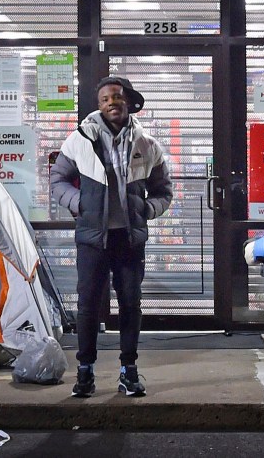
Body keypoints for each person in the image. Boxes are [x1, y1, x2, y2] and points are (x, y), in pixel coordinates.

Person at [50, 76, 172, 398]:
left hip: (129, 240)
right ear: (99, 105)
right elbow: (58, 179)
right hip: (92, 239)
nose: (111, 103)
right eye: (105, 99)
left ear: (128, 101)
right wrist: (79, 204)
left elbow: (163, 190)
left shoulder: (147, 144)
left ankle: (128, 370)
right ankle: (85, 371)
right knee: (88, 305)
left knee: (130, 304)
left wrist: (147, 209)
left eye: (116, 97)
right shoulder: (80, 139)